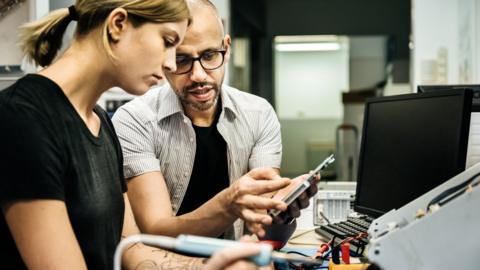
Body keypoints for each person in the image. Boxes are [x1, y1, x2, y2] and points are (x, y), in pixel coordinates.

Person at [0, 1, 281, 269]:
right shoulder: (24, 119)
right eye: (169, 42)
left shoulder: (99, 123)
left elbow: (131, 250)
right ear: (118, 25)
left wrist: (212, 266)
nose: (172, 64)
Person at [112, 0, 317, 240]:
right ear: (165, 59)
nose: (198, 75)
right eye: (182, 60)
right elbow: (156, 231)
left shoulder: (259, 115)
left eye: (209, 55)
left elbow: (263, 228)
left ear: (226, 48)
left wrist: (284, 211)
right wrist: (230, 203)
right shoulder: (135, 121)